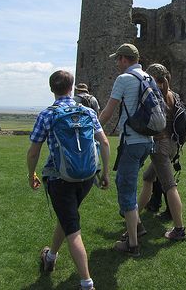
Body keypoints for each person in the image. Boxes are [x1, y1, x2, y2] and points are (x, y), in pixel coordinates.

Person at [26, 70, 110, 290]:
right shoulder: (88, 112)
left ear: (52, 88)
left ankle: (87, 283)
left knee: (73, 229)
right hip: (86, 177)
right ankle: (50, 256)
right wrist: (106, 173)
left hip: (60, 178)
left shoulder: (47, 115)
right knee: (67, 217)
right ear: (71, 87)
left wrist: (31, 174)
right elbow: (105, 143)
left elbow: (33, 151)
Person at [99, 43, 154, 257]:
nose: (116, 63)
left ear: (124, 59)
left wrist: (92, 129)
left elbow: (108, 111)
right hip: (147, 141)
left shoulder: (124, 79)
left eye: (117, 59)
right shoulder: (148, 78)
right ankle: (137, 226)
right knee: (123, 180)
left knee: (127, 189)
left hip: (132, 141)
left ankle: (132, 244)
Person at [135, 63, 186, 240]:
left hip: (160, 147)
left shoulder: (155, 95)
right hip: (173, 144)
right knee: (148, 177)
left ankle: (179, 230)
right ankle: (135, 215)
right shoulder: (174, 95)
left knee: (169, 186)